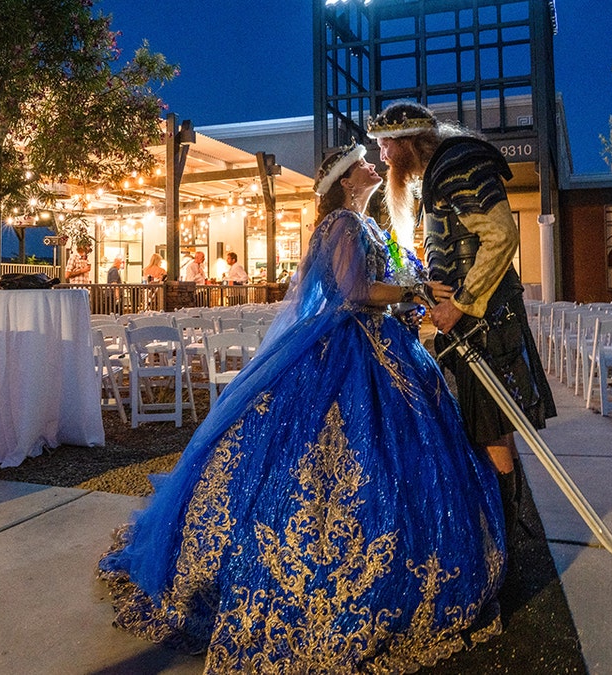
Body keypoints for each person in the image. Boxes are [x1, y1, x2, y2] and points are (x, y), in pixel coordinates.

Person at [97, 142, 505, 671]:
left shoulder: (362, 224)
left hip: (374, 345)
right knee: (335, 453)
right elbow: (353, 290)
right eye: (362, 164)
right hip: (351, 347)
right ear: (344, 179)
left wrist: (408, 289)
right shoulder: (343, 224)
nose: (372, 167)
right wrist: (413, 289)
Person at [368, 101, 556, 544]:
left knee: (490, 428)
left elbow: (501, 236)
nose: (382, 157)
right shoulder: (438, 172)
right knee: (490, 425)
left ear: (409, 142)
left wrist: (462, 304)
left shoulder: (456, 164)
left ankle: (503, 537)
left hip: (486, 321)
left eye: (386, 145)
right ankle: (504, 530)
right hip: (476, 322)